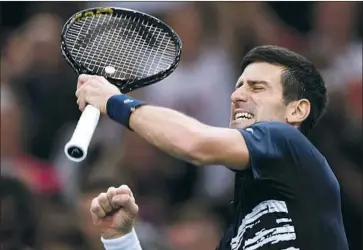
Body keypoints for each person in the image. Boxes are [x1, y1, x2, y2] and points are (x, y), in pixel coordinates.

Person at [81, 45, 349, 250]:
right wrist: (121, 238)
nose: (237, 95)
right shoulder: (235, 237)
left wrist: (115, 101)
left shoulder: (287, 141)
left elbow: (195, 142)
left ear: (297, 110)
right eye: (238, 86)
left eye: (257, 87)